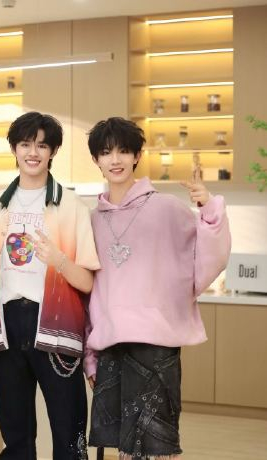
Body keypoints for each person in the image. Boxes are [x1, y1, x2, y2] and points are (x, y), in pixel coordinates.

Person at [85, 117, 231, 459]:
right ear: (96, 160)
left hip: (156, 346)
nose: (115, 160)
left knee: (157, 448)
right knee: (120, 448)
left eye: (124, 151)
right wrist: (90, 357)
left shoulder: (166, 208)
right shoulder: (92, 219)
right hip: (111, 346)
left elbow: (207, 257)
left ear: (137, 156)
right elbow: (91, 291)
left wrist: (208, 208)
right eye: (106, 152)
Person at [0, 111, 100, 460]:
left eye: (42, 145)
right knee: (15, 433)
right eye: (25, 144)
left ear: (53, 152)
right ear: (14, 149)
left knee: (69, 431)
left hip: (55, 324)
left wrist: (59, 260)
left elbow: (88, 282)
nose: (33, 152)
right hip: (6, 325)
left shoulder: (73, 207)